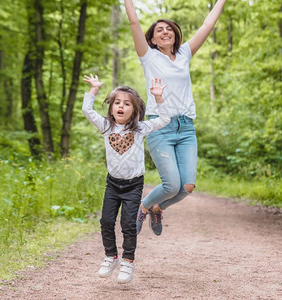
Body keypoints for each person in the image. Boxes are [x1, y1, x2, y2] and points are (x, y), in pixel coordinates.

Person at [123, 0, 227, 236]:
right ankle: (144, 205)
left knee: (186, 187)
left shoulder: (184, 54)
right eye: (159, 30)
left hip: (186, 128)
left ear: (175, 35)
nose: (165, 31)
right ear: (152, 39)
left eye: (169, 28)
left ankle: (157, 207)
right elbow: (133, 21)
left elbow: (207, 25)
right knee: (171, 184)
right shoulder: (148, 57)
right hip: (161, 127)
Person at [82, 74, 170, 284]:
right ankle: (111, 256)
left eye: (127, 103)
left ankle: (128, 261)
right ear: (112, 108)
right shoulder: (106, 127)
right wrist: (94, 89)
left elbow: (164, 119)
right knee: (106, 221)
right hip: (112, 184)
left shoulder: (139, 128)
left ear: (135, 110)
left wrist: (158, 97)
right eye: (117, 103)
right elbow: (87, 110)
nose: (121, 106)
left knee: (128, 224)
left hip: (133, 185)